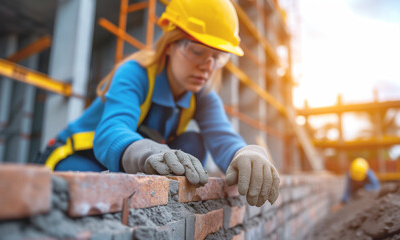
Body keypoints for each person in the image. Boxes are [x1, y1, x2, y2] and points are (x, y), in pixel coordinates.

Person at [39, 0, 280, 207]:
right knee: (91, 192)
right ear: (170, 45)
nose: (207, 67)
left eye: (217, 57)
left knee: (192, 145)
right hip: (80, 155)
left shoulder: (202, 96)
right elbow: (111, 132)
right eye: (197, 51)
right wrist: (148, 152)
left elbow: (223, 137)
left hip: (134, 159)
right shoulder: (135, 73)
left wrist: (247, 152)